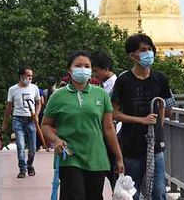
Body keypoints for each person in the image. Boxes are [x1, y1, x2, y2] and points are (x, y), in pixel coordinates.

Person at [42, 50, 124, 200]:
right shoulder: (58, 96)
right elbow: (45, 125)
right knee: (75, 195)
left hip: (96, 158)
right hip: (70, 156)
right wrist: (56, 140)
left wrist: (118, 157)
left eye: (87, 66)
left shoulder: (101, 94)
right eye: (78, 65)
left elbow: (109, 128)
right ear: (70, 69)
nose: (83, 69)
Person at [112, 34, 174, 200]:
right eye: (143, 50)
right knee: (132, 192)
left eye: (150, 49)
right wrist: (141, 120)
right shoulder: (123, 80)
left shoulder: (160, 79)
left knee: (159, 191)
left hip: (155, 145)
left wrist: (158, 126)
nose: (148, 53)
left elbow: (166, 108)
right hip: (132, 145)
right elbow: (114, 113)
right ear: (133, 55)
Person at [1, 65, 40, 178]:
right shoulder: (13, 89)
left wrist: (36, 114)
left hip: (31, 119)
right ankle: (22, 169)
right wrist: (5, 122)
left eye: (31, 76)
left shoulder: (34, 88)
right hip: (18, 119)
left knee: (32, 146)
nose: (30, 78)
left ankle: (30, 165)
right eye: (28, 76)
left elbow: (38, 103)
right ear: (21, 76)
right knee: (21, 145)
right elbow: (9, 107)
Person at [91, 51, 119, 189]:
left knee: (115, 178)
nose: (94, 75)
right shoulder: (101, 87)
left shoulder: (117, 86)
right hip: (101, 137)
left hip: (114, 136)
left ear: (106, 68)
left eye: (96, 71)